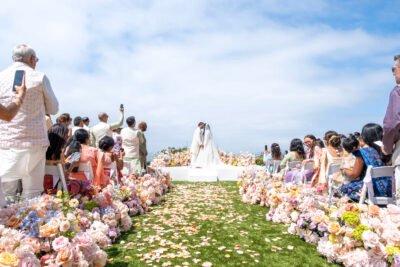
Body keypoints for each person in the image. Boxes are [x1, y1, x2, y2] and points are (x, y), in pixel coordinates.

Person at [0, 44, 59, 198]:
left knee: (6, 192)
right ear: (32, 59)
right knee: (31, 191)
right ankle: (29, 220)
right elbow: (53, 109)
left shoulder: (1, 77)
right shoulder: (39, 76)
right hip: (34, 142)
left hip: (4, 143)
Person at [341, 123, 391, 201]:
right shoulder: (388, 150)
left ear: (365, 137)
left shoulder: (363, 152)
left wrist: (344, 171)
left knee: (343, 188)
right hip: (390, 188)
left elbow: (354, 174)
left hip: (371, 190)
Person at [383, 54, 400, 200]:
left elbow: (391, 124)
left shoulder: (397, 91)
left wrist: (387, 147)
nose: (393, 73)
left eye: (393, 69)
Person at [43, 123, 69, 194]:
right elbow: (64, 176)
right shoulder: (59, 154)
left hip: (39, 185)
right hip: (56, 188)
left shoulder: (41, 151)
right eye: (66, 135)